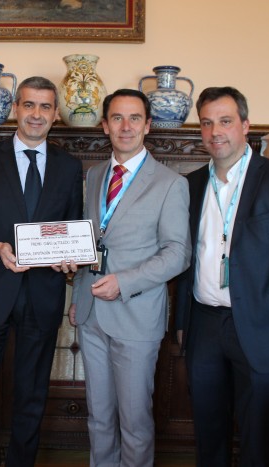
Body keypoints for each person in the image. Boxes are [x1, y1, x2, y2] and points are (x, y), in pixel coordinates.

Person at [175, 87, 269, 466]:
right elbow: (186, 260)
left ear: (245, 125)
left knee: (258, 439)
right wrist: (182, 323)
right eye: (206, 123)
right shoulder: (190, 185)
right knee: (208, 434)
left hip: (262, 330)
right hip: (204, 325)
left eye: (225, 121)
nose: (215, 132)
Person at [0, 76, 83, 467]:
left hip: (43, 296)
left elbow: (72, 231)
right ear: (15, 109)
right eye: (28, 105)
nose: (36, 114)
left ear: (55, 115)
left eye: (44, 107)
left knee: (32, 396)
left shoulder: (70, 167)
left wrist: (70, 259)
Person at [68, 88, 191, 466]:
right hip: (90, 314)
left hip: (136, 316)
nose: (126, 126)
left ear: (147, 125)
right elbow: (91, 238)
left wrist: (125, 281)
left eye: (134, 118)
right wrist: (77, 295)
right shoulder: (95, 174)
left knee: (135, 421)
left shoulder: (170, 183)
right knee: (99, 417)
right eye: (117, 118)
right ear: (105, 126)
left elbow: (178, 253)